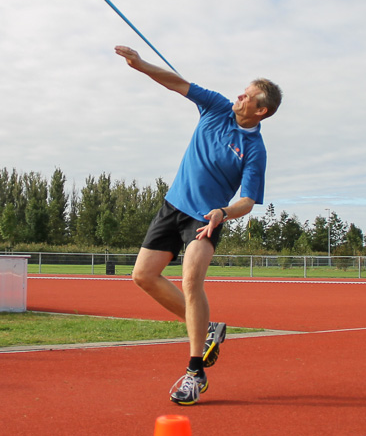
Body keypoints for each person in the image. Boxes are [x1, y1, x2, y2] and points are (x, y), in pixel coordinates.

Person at [115, 45, 282, 406]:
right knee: (143, 276)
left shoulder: (255, 150)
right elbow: (176, 83)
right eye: (242, 91)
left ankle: (195, 373)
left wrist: (224, 212)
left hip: (206, 219)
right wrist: (140, 65)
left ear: (260, 110)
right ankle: (208, 330)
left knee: (191, 280)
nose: (240, 96)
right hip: (172, 206)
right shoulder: (217, 106)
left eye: (248, 95)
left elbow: (248, 201)